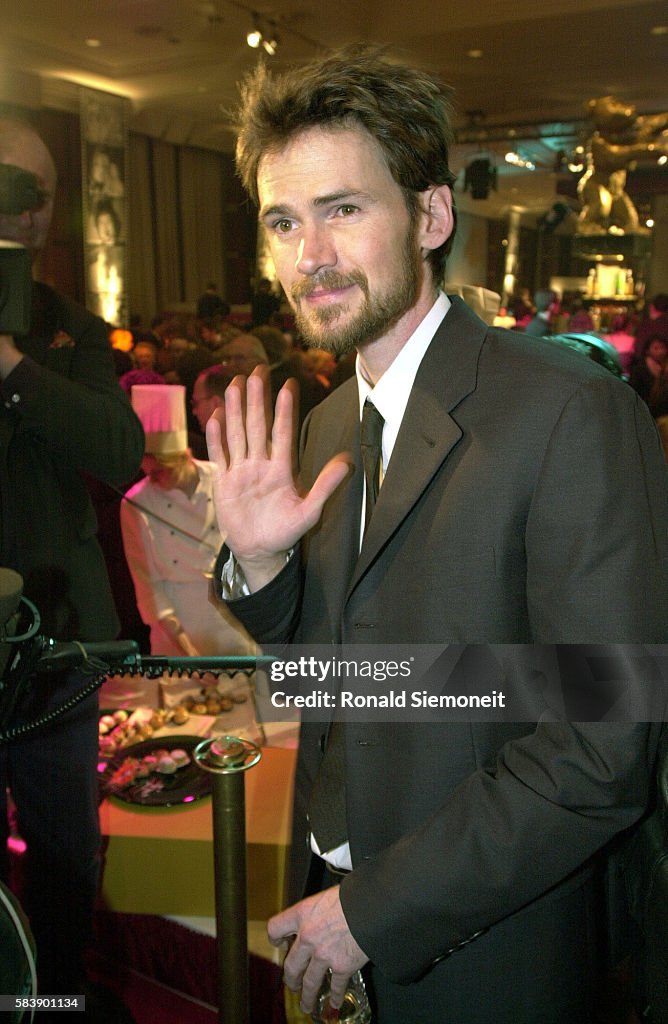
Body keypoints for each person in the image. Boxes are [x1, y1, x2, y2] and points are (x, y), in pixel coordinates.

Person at [204, 47, 668, 1024]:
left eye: (343, 209)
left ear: (429, 215)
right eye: (282, 221)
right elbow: (338, 681)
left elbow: (600, 747)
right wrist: (259, 570)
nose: (308, 256)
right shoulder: (327, 424)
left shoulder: (567, 412)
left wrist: (371, 911)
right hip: (332, 913)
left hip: (488, 945)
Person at [0, 117, 144, 1003]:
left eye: (39, 190)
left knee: (65, 850)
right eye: (8, 183)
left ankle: (55, 999)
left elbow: (118, 449)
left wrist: (12, 365)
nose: (25, 207)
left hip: (57, 651)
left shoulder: (72, 328)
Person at [120, 385, 251, 657]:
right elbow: (147, 583)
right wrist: (184, 644)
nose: (154, 480)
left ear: (182, 456)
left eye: (160, 471)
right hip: (176, 627)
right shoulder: (136, 503)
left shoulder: (223, 479)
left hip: (233, 617)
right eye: (148, 472)